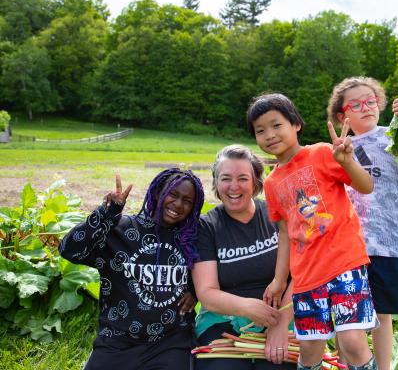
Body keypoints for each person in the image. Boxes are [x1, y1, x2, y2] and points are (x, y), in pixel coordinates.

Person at [247, 93, 378, 370]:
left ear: (296, 124)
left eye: (276, 125)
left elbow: (366, 186)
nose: (269, 135)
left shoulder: (320, 153)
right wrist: (279, 280)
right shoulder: (271, 183)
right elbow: (285, 234)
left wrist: (346, 161)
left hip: (345, 263)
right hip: (307, 275)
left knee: (353, 341)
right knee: (308, 348)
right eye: (260, 130)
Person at [327, 76, 398, 370]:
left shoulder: (395, 138)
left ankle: (383, 367)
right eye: (356, 104)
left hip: (386, 243)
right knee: (345, 314)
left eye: (371, 101)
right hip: (345, 247)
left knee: (382, 315)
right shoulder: (338, 149)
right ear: (343, 115)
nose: (366, 107)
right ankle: (345, 365)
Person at [59, 169, 205, 370]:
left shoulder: (190, 238)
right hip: (118, 341)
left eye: (187, 201)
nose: (179, 204)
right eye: (173, 194)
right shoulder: (120, 230)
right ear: (157, 192)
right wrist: (106, 214)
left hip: (171, 343)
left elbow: (215, 271)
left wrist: (196, 290)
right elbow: (69, 250)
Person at [192, 144, 295, 370]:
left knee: (278, 366)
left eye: (242, 179)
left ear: (256, 183)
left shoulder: (277, 215)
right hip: (224, 320)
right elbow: (207, 294)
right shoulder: (206, 227)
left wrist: (281, 323)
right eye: (226, 178)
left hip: (281, 316)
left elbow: (301, 273)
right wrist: (246, 307)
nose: (233, 187)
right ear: (216, 183)